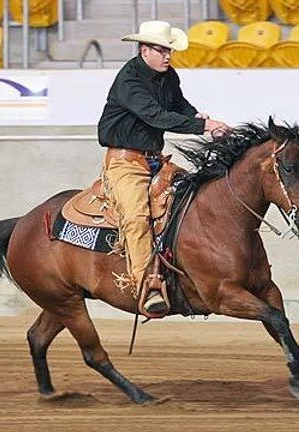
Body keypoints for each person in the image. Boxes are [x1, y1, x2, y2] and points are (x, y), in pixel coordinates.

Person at [98, 21, 231, 315]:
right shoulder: (129, 81)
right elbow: (156, 116)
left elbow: (178, 105)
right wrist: (204, 126)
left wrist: (197, 116)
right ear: (144, 50)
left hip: (154, 159)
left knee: (195, 198)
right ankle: (146, 286)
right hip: (125, 163)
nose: (168, 55)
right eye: (161, 50)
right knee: (135, 217)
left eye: (169, 50)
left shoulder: (167, 75)